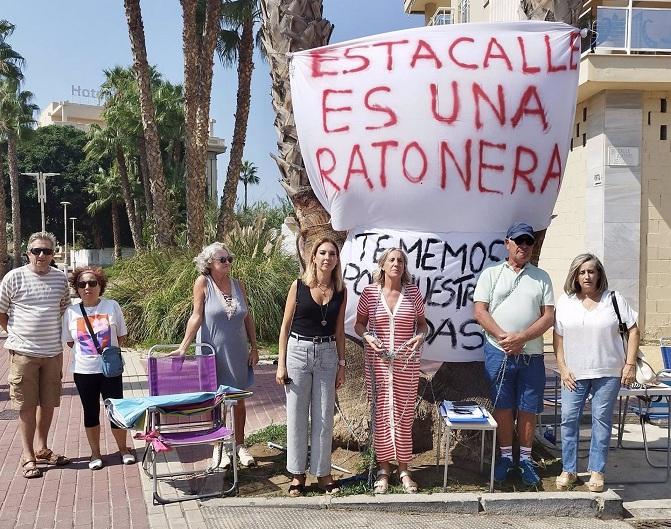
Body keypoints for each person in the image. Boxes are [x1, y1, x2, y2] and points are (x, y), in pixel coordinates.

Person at [473, 222, 555, 487]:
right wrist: (503, 337)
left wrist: (522, 338)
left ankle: (526, 460)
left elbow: (549, 316)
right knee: (503, 405)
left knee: (528, 407)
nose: (523, 246)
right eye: (518, 241)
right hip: (499, 352)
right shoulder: (491, 274)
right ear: (507, 243)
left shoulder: (541, 277)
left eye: (528, 242)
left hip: (531, 355)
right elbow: (480, 311)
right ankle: (507, 457)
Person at [554, 253, 638, 492]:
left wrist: (629, 364)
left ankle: (597, 471)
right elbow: (558, 337)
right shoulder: (566, 301)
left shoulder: (614, 299)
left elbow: (633, 331)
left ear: (599, 274)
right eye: (581, 272)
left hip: (608, 371)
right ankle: (569, 469)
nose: (587, 276)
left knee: (601, 422)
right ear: (575, 276)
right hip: (574, 374)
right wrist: (562, 368)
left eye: (591, 271)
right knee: (568, 419)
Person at [175, 242, 259, 468]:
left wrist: (255, 346)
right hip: (211, 351)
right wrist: (184, 346)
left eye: (229, 258)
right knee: (215, 401)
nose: (228, 263)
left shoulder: (238, 284)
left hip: (237, 350)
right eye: (223, 259)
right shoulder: (203, 283)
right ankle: (218, 446)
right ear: (209, 263)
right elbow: (196, 316)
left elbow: (247, 316)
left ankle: (240, 444)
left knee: (239, 400)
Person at [276, 237, 347, 497]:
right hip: (298, 352)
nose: (327, 258)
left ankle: (323, 473)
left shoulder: (341, 290)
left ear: (337, 260)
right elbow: (284, 328)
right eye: (322, 253)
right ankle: (297, 475)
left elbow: (339, 330)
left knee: (324, 415)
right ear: (313, 258)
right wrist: (281, 364)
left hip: (328, 353)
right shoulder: (298, 286)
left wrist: (342, 363)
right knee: (297, 415)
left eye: (332, 254)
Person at [354, 248, 428, 494]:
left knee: (405, 414)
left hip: (407, 363)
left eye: (401, 260)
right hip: (377, 363)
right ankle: (383, 468)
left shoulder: (414, 292)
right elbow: (359, 323)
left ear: (405, 266)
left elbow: (422, 325)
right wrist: (367, 337)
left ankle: (404, 469)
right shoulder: (369, 293)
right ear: (382, 265)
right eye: (392, 260)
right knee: (381, 414)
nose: (396, 263)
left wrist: (420, 337)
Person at [0, 232, 71, 479]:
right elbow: (2, 311)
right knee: (26, 405)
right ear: (27, 253)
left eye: (47, 251)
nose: (42, 255)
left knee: (48, 403)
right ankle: (28, 454)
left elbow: (63, 308)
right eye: (37, 251)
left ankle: (42, 448)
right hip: (23, 354)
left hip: (52, 353)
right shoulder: (13, 277)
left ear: (53, 254)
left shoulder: (60, 279)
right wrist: (15, 334)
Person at [62, 266, 135, 470]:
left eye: (92, 283)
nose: (87, 287)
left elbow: (121, 336)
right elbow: (70, 342)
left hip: (110, 369)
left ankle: (123, 449)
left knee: (116, 409)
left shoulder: (112, 306)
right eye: (82, 284)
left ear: (100, 286)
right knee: (91, 411)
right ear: (76, 289)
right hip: (84, 371)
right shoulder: (71, 312)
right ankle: (95, 453)